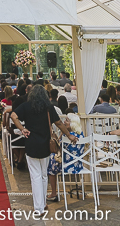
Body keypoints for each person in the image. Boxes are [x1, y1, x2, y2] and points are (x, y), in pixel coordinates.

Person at [11, 84, 73, 215]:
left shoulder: (26, 106)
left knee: (35, 176)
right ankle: (43, 203)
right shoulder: (48, 107)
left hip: (31, 144)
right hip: (46, 144)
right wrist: (68, 134)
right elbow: (59, 123)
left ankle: (38, 207)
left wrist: (22, 130)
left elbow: (13, 116)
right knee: (44, 175)